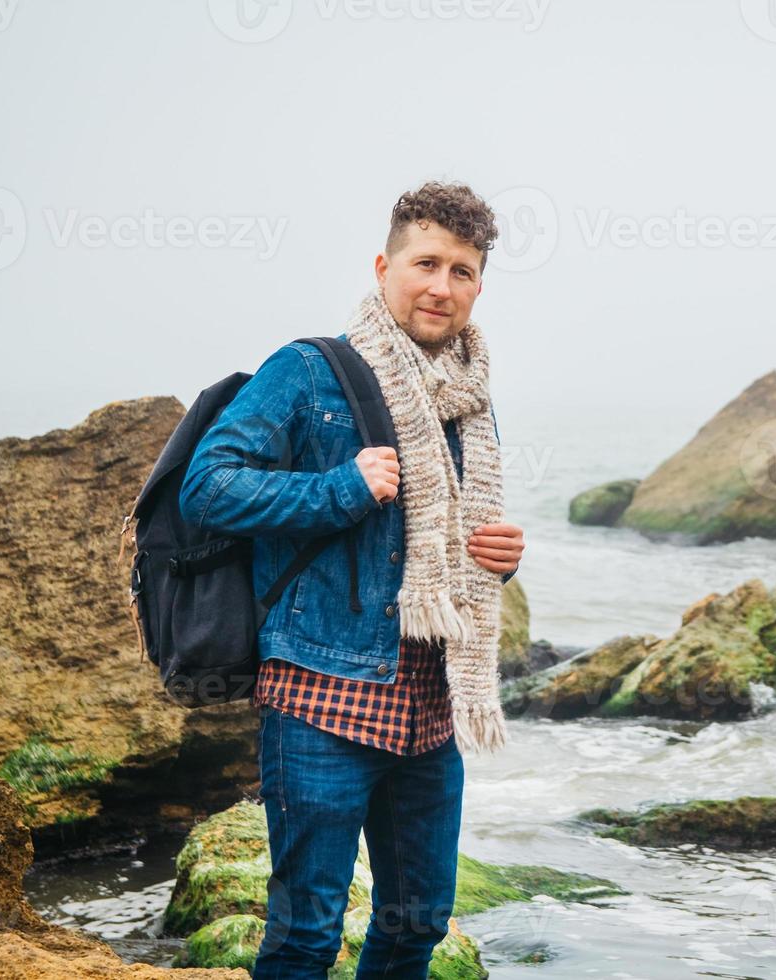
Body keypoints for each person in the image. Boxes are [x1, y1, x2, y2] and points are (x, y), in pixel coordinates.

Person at [177, 180, 525, 978]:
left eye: (463, 271)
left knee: (417, 927)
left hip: (430, 710)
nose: (442, 286)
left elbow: (436, 546)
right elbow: (208, 485)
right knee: (305, 935)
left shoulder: (472, 400)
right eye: (426, 263)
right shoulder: (308, 371)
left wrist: (499, 561)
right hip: (321, 699)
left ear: (479, 286)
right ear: (383, 265)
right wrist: (339, 487)